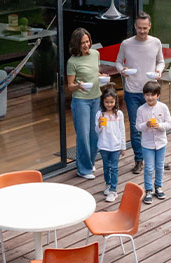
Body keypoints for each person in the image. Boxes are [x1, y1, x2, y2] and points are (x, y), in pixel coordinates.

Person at [116, 11, 165, 175]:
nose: (142, 31)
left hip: (151, 91)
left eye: (145, 28)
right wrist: (121, 70)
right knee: (136, 128)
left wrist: (158, 71)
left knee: (154, 125)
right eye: (139, 28)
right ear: (134, 27)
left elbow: (161, 61)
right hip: (132, 91)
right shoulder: (126, 44)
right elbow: (118, 62)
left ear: (150, 26)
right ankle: (139, 160)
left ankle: (156, 158)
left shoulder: (156, 42)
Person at [66, 27, 107, 179]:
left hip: (96, 98)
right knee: (83, 135)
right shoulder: (72, 62)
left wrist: (102, 76)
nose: (86, 45)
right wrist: (78, 85)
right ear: (76, 44)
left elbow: (94, 72)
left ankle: (89, 162)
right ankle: (83, 169)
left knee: (95, 133)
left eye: (88, 41)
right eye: (82, 42)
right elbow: (70, 86)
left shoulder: (96, 54)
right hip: (81, 102)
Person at [135, 81, 171, 204]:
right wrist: (146, 125)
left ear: (158, 95)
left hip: (161, 143)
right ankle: (148, 190)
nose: (149, 97)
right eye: (147, 95)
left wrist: (159, 125)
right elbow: (138, 126)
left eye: (152, 95)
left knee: (160, 167)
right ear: (144, 96)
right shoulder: (141, 110)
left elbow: (169, 124)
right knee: (149, 168)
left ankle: (158, 187)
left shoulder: (163, 107)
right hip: (147, 144)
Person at [95, 88, 126, 202]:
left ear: (115, 101)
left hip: (116, 146)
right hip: (104, 145)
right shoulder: (100, 114)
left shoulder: (119, 114)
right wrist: (99, 124)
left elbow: (122, 130)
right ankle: (108, 184)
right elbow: (97, 131)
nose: (109, 104)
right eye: (107, 102)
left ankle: (113, 190)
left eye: (111, 102)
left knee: (114, 168)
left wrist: (123, 147)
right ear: (103, 102)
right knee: (106, 167)